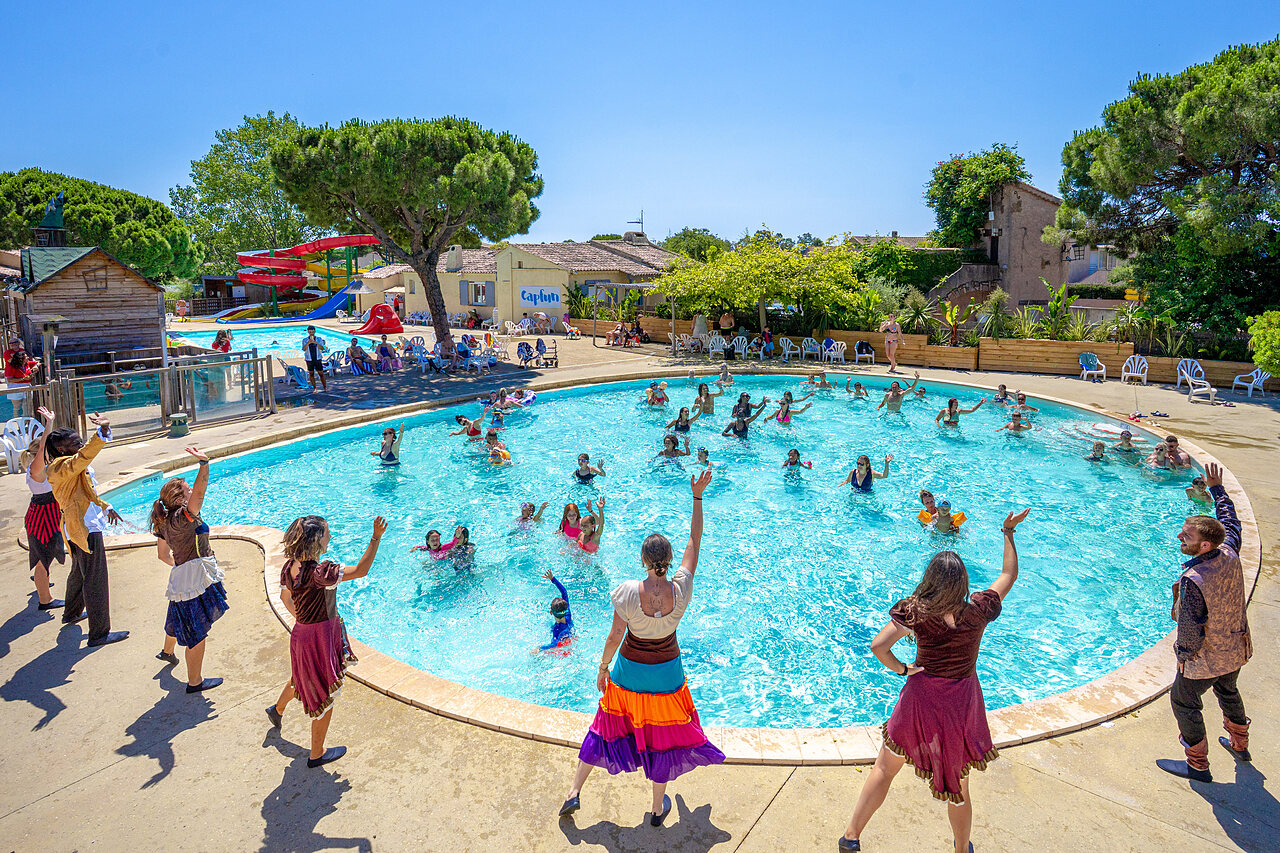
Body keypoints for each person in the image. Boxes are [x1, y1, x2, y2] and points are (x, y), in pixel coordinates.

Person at [839, 509, 1031, 853]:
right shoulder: (978, 611)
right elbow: (1008, 574)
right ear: (963, 582)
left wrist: (903, 669)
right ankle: (961, 849)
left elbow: (878, 647)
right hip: (960, 705)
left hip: (920, 701)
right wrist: (1007, 531)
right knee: (960, 788)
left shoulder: (916, 612)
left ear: (929, 579)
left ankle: (851, 838)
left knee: (885, 768)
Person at [559, 471, 723, 825]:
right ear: (669, 559)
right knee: (661, 739)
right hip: (666, 676)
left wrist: (603, 668)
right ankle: (656, 809)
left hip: (628, 674)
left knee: (604, 726)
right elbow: (695, 541)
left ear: (644, 561)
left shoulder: (628, 592)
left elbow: (614, 637)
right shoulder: (682, 588)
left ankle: (573, 791)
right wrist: (697, 497)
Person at [1157, 462, 1253, 783]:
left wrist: (1183, 657)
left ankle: (1198, 765)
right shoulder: (1230, 551)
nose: (1180, 536)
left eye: (1187, 535)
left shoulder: (1194, 579)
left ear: (1204, 545)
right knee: (1228, 691)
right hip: (1236, 648)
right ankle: (1240, 745)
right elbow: (1230, 520)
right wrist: (1217, 490)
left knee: (1183, 701)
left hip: (1207, 658)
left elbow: (1190, 629)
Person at [266, 515, 386, 768]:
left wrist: (305, 621)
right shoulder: (321, 573)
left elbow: (285, 598)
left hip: (301, 635)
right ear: (316, 539)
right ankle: (316, 754)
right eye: (327, 533)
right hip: (318, 639)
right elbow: (361, 570)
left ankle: (276, 710)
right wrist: (375, 538)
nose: (330, 537)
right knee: (325, 695)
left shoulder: (290, 567)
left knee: (301, 678)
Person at [44, 412, 128, 647]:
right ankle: (99, 633)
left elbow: (85, 490)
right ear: (61, 449)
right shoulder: (61, 467)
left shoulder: (68, 466)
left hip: (78, 526)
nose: (80, 445)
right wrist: (101, 432)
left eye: (80, 441)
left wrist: (105, 506)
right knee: (95, 578)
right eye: (75, 443)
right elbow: (83, 457)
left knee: (79, 571)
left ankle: (71, 612)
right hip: (84, 528)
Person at [151, 446, 228, 693]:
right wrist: (204, 464)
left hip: (182, 578)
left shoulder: (164, 521)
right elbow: (201, 492)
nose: (193, 492)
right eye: (188, 490)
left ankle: (167, 651)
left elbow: (162, 555)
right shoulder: (182, 518)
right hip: (194, 579)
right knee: (197, 632)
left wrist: (181, 567)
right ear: (180, 500)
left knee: (177, 614)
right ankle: (195, 682)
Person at [22, 407, 64, 611]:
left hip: (44, 513)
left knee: (45, 555)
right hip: (43, 517)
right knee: (41, 560)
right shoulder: (36, 469)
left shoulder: (39, 468)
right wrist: (49, 424)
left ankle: (42, 581)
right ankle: (45, 600)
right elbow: (42, 449)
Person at [541, 570, 575, 651]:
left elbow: (554, 644)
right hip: (571, 640)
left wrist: (539, 648)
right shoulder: (568, 615)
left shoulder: (557, 629)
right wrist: (552, 579)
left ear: (551, 612)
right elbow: (564, 592)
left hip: (562, 649)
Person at [301, 326, 329, 391]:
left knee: (321, 373)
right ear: (308, 332)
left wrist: (316, 343)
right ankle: (315, 388)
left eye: (312, 332)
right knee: (311, 373)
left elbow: (322, 348)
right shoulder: (305, 340)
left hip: (317, 358)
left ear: (314, 331)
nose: (311, 333)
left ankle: (325, 387)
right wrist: (308, 343)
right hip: (309, 359)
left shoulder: (319, 339)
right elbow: (304, 349)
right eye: (310, 332)